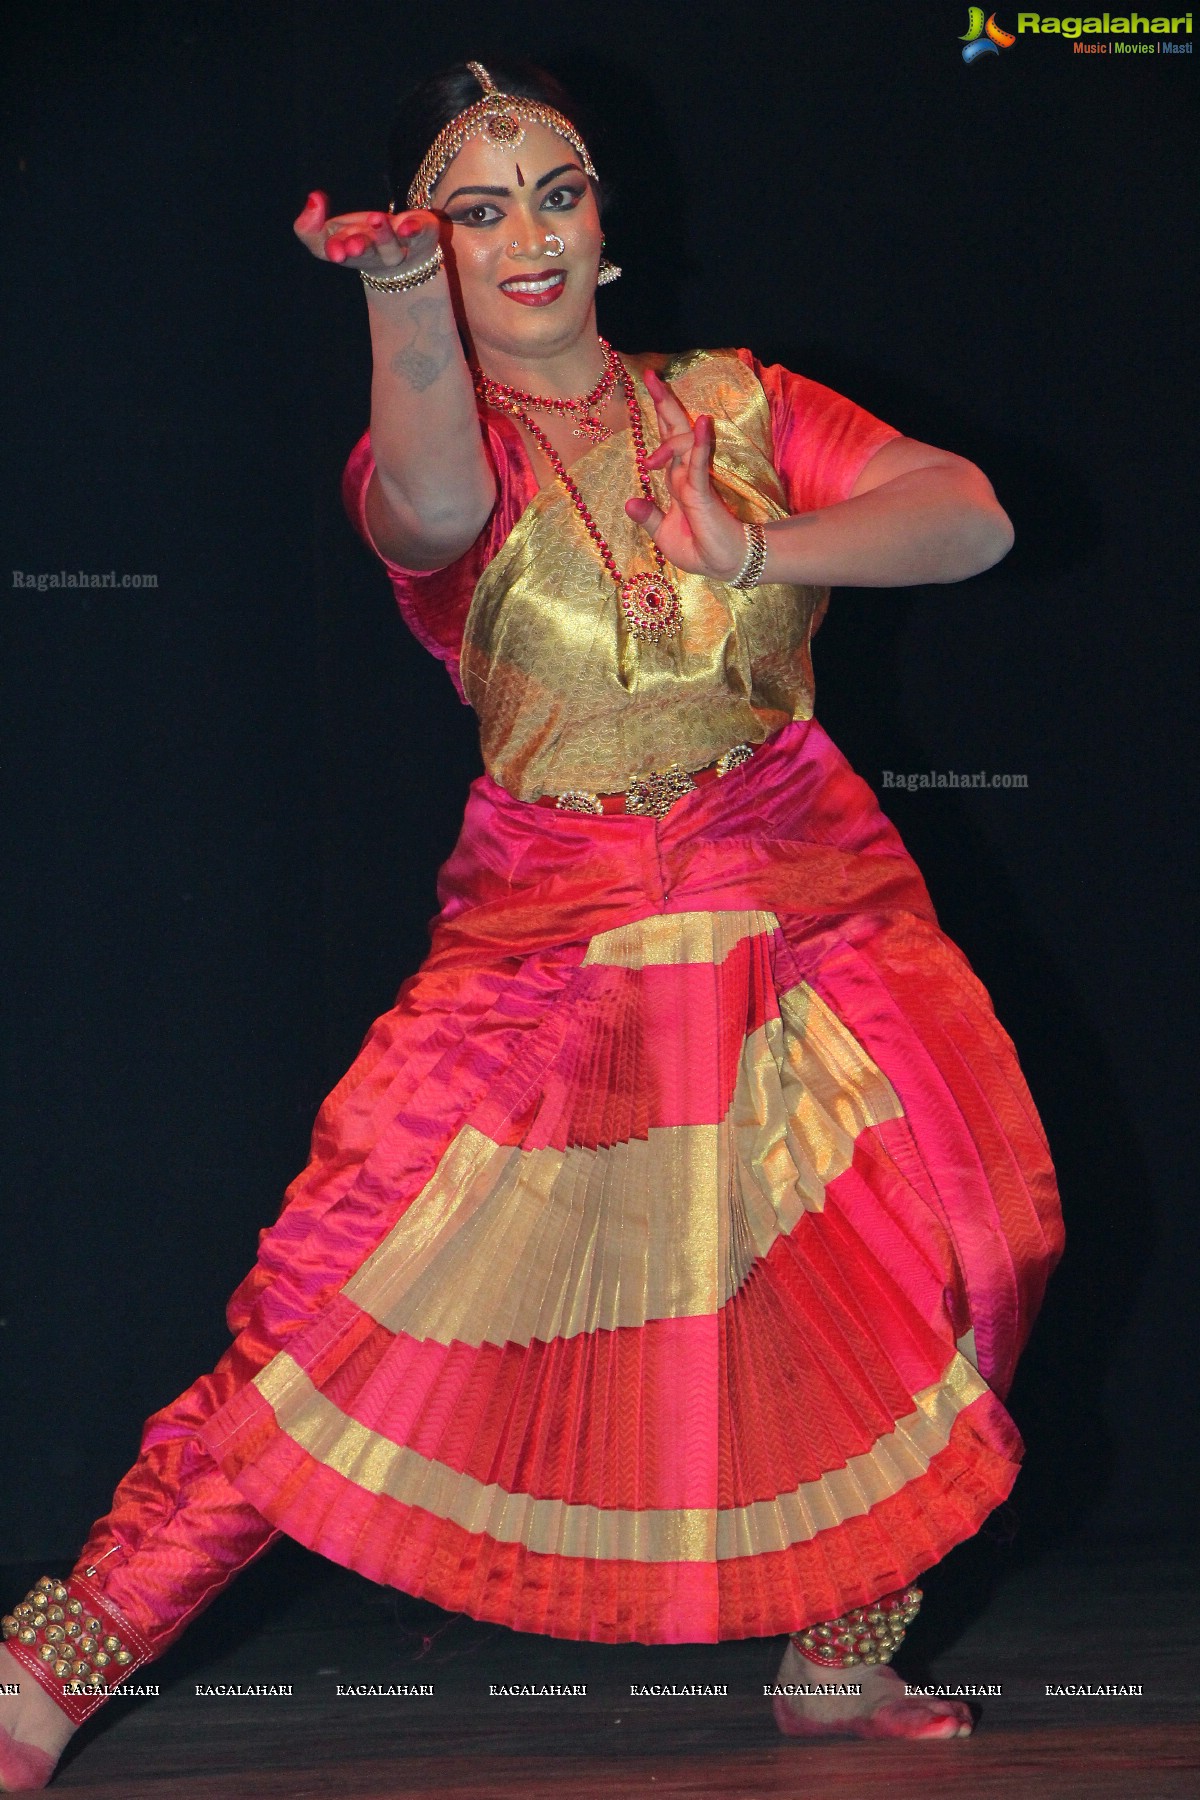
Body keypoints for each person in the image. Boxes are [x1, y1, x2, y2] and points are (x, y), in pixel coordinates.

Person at [0, 57, 1064, 1789]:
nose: (528, 236)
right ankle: (45, 1674)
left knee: (976, 1232)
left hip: (804, 872)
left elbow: (969, 515)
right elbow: (425, 501)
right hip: (549, 917)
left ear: (604, 223)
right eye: (476, 211)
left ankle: (840, 1645)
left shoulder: (738, 401)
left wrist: (764, 542)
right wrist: (402, 300)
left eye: (552, 194)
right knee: (341, 1304)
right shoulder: (436, 462)